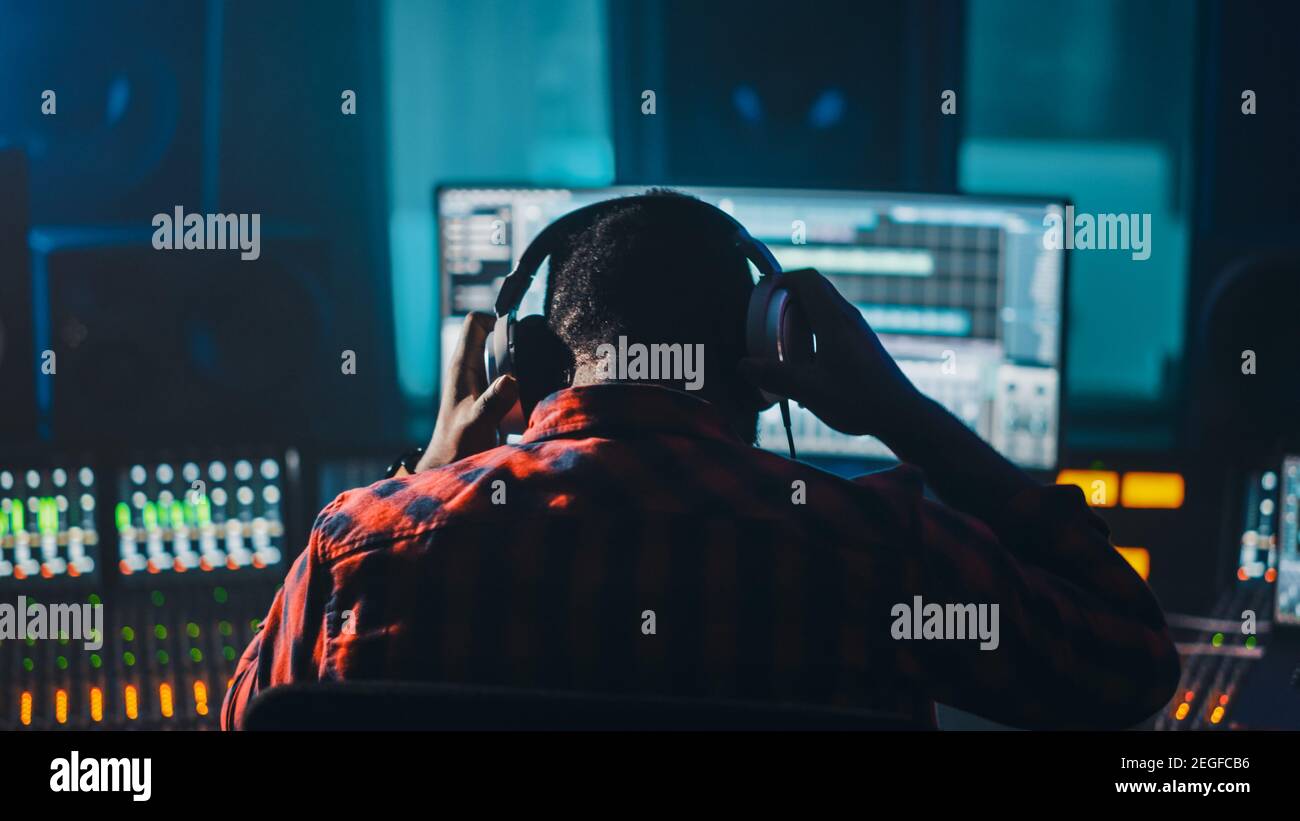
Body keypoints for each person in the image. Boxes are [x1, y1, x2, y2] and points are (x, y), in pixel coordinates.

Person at [222, 190, 1179, 730]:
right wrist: (903, 414)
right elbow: (1129, 668)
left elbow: (248, 727)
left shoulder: (364, 545)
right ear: (767, 360)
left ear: (534, 361)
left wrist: (425, 473)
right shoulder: (883, 549)